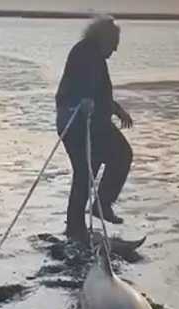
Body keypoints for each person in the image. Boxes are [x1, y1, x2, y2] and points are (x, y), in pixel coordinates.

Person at [55, 15, 134, 245]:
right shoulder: (85, 53)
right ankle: (93, 213)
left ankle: (78, 226)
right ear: (104, 39)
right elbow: (81, 86)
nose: (115, 50)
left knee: (87, 173)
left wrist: (116, 109)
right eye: (114, 44)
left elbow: (98, 92)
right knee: (117, 157)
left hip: (91, 124)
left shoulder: (93, 54)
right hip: (78, 125)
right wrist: (84, 101)